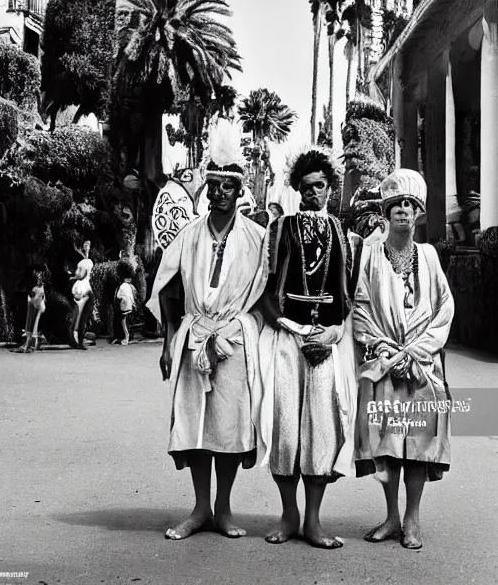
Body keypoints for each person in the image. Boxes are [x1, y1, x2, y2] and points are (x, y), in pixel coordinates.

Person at [146, 117, 268, 541]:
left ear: (239, 191)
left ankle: (224, 508)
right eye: (212, 185)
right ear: (206, 188)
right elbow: (167, 286)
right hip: (193, 335)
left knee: (229, 426)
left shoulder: (257, 237)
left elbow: (266, 296)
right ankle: (199, 508)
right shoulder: (190, 234)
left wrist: (245, 334)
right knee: (195, 426)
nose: (218, 193)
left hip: (234, 339)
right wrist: (168, 341)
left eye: (227, 187)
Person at [257, 148, 358, 549]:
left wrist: (333, 333)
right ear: (297, 190)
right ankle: (288, 515)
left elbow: (350, 299)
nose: (312, 193)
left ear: (330, 188)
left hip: (327, 341)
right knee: (284, 429)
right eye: (305, 187)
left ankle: (313, 522)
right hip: (287, 338)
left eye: (319, 186)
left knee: (320, 429)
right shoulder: (280, 229)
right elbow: (265, 292)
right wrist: (286, 325)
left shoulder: (345, 236)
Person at [353, 169, 454, 550]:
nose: (403, 212)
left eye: (410, 206)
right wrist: (383, 348)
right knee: (389, 445)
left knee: (419, 444)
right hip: (386, 364)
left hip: (422, 367)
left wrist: (417, 351)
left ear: (418, 214)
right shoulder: (372, 256)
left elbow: (444, 308)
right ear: (387, 212)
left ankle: (412, 519)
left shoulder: (428, 257)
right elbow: (361, 309)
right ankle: (391, 516)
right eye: (396, 205)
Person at [70, 240, 94, 350]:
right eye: (86, 245)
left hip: (84, 289)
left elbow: (80, 274)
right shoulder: (86, 263)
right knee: (80, 317)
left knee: (80, 317)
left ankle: (78, 340)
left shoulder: (86, 263)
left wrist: (74, 277)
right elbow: (81, 274)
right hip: (85, 289)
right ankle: (77, 340)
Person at [112, 258, 137, 345]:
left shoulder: (121, 286)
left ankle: (125, 338)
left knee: (123, 323)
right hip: (130, 306)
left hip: (123, 307)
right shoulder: (131, 287)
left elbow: (118, 296)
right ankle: (127, 337)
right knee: (127, 322)